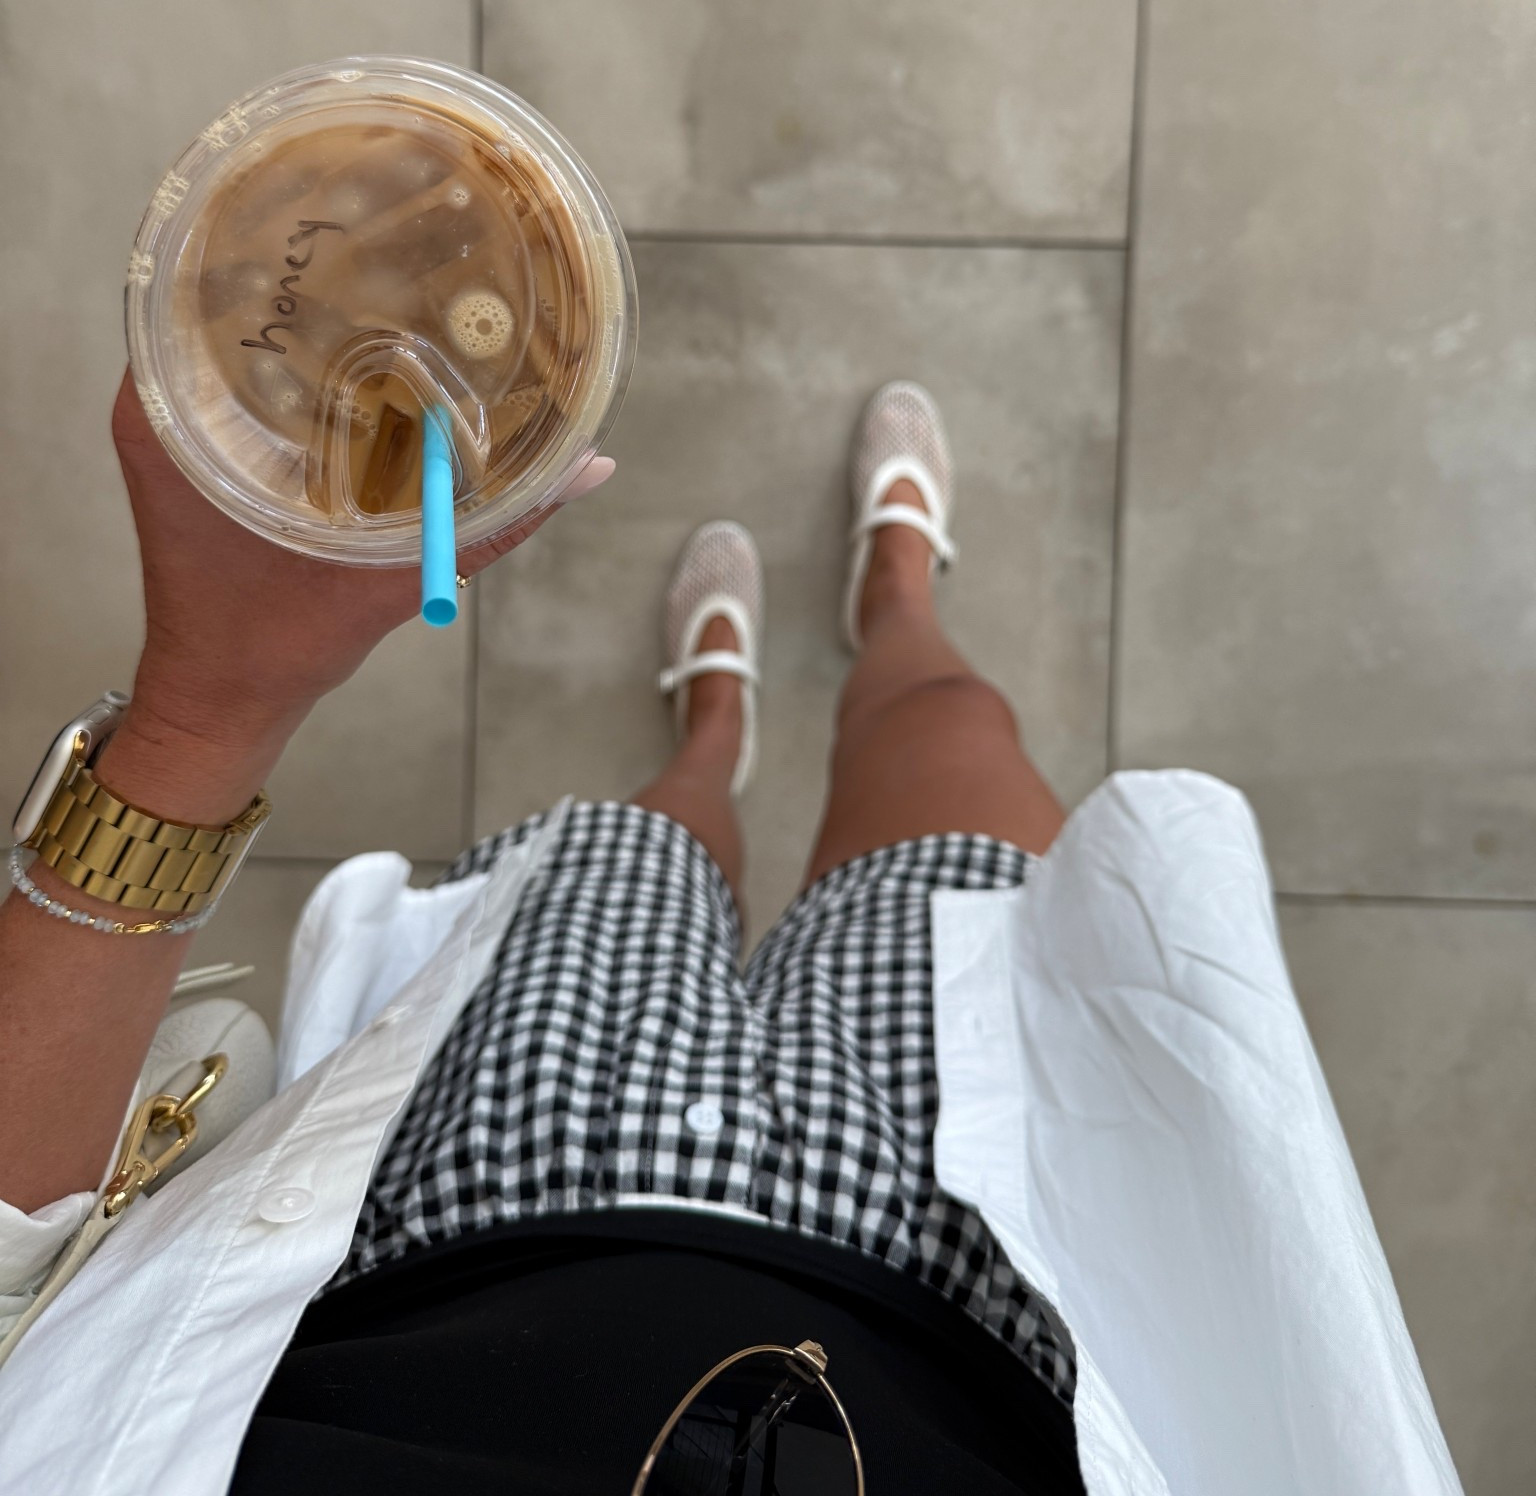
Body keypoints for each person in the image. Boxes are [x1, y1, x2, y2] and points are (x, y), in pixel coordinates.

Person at [0, 378, 1460, 1496]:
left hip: (495, 1201)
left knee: (651, 839)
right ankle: (897, 589)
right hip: (975, 1273)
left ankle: (711, 727)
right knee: (951, 732)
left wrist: (205, 713)